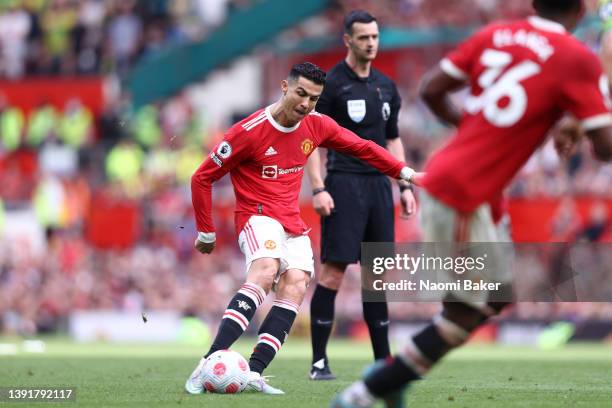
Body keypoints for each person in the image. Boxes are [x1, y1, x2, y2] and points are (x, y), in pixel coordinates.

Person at [332, 0, 612, 406]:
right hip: (462, 192)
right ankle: (367, 392)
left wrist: (476, 135)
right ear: (583, 8)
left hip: (469, 183)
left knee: (499, 293)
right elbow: (604, 148)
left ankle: (391, 376)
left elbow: (431, 89)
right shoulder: (576, 59)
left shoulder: (494, 33)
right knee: (464, 311)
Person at [184, 62, 422, 395]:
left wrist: (406, 174)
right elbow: (202, 177)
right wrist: (206, 232)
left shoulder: (317, 125)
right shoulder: (248, 131)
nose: (305, 104)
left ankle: (253, 372)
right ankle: (207, 363)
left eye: (313, 98)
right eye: (300, 94)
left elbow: (365, 148)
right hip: (257, 215)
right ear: (284, 87)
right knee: (266, 270)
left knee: (295, 285)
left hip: (291, 222)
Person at [307, 10, 417, 381]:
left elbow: (392, 138)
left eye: (375, 36)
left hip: (379, 188)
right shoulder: (333, 85)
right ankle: (319, 361)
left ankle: (382, 362)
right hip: (343, 184)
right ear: (347, 41)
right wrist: (318, 187)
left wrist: (403, 185)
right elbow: (312, 142)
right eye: (364, 37)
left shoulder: (386, 86)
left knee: (377, 278)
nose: (371, 43)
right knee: (334, 272)